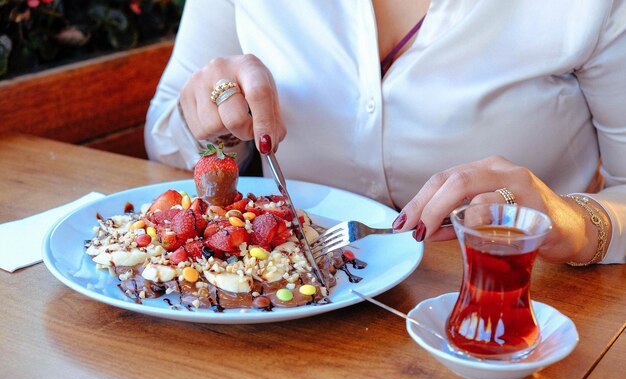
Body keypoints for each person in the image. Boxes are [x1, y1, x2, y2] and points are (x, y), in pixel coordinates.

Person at [145, 0, 626, 266]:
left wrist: (578, 224)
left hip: (513, 312)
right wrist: (215, 122)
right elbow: (164, 136)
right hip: (273, 308)